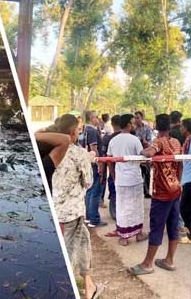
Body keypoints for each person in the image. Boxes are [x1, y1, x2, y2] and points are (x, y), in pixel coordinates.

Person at [50, 114, 105, 299]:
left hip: (55, 208)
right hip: (71, 212)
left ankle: (89, 286)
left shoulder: (48, 150)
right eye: (78, 131)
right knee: (69, 256)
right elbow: (88, 182)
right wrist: (87, 159)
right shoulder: (78, 153)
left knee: (84, 241)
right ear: (73, 133)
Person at [128, 114, 183, 275]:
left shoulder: (158, 141)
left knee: (157, 226)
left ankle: (147, 264)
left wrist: (143, 150)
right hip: (175, 188)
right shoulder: (176, 142)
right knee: (173, 226)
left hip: (162, 191)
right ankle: (169, 260)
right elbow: (179, 165)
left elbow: (149, 153)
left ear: (156, 127)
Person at [107, 114, 148, 246]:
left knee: (122, 206)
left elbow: (109, 160)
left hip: (120, 178)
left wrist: (113, 175)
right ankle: (138, 233)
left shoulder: (113, 140)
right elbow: (142, 157)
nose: (134, 124)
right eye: (132, 122)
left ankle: (123, 237)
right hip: (134, 178)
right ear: (128, 125)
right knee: (136, 206)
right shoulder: (135, 140)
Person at [82, 111, 106, 228]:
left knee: (89, 191)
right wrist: (100, 164)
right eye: (97, 117)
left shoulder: (84, 130)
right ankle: (94, 219)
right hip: (94, 163)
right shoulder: (92, 131)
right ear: (92, 118)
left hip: (87, 162)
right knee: (95, 192)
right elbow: (93, 148)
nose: (98, 119)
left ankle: (88, 217)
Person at [100, 115, 122, 235]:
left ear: (112, 124)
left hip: (113, 170)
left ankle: (115, 213)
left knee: (114, 191)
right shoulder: (130, 137)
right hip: (125, 171)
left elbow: (105, 159)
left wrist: (103, 174)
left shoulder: (108, 138)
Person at [133, 111, 154, 198]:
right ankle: (137, 192)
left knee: (147, 173)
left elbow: (150, 143)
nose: (136, 120)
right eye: (135, 118)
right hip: (136, 155)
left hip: (146, 153)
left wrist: (144, 141)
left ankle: (146, 192)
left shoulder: (147, 128)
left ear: (142, 118)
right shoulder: (133, 129)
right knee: (137, 173)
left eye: (138, 117)